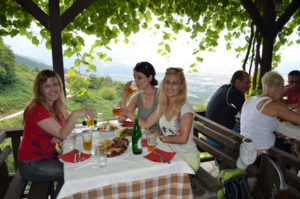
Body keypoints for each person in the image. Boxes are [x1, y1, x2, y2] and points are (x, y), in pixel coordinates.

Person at [18, 70, 94, 198]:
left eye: (55, 84)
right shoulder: (37, 110)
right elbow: (64, 133)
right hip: (32, 163)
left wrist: (60, 132)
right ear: (39, 89)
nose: (53, 89)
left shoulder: (52, 106)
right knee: (75, 172)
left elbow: (67, 127)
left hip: (48, 156)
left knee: (83, 162)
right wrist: (75, 114)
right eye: (47, 86)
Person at [122, 67, 200, 171]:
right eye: (168, 82)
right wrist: (128, 113)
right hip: (168, 152)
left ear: (181, 86)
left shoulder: (185, 107)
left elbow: (183, 139)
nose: (170, 86)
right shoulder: (163, 104)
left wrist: (162, 137)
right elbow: (146, 124)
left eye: (175, 83)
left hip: (185, 159)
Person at [241, 71, 300, 157]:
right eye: (282, 87)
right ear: (277, 88)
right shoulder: (273, 105)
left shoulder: (249, 99)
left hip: (245, 149)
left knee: (284, 142)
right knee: (291, 148)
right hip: (261, 156)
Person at [205, 70, 250, 145]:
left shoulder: (224, 88)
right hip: (220, 138)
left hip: (210, 135)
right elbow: (248, 115)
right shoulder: (236, 94)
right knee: (253, 138)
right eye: (246, 83)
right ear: (238, 82)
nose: (249, 86)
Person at [118, 61, 160, 130]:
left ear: (150, 77)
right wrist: (125, 94)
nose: (136, 81)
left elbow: (146, 125)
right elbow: (121, 118)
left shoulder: (161, 96)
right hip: (141, 137)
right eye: (135, 77)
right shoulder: (137, 96)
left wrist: (128, 113)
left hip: (157, 139)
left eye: (139, 78)